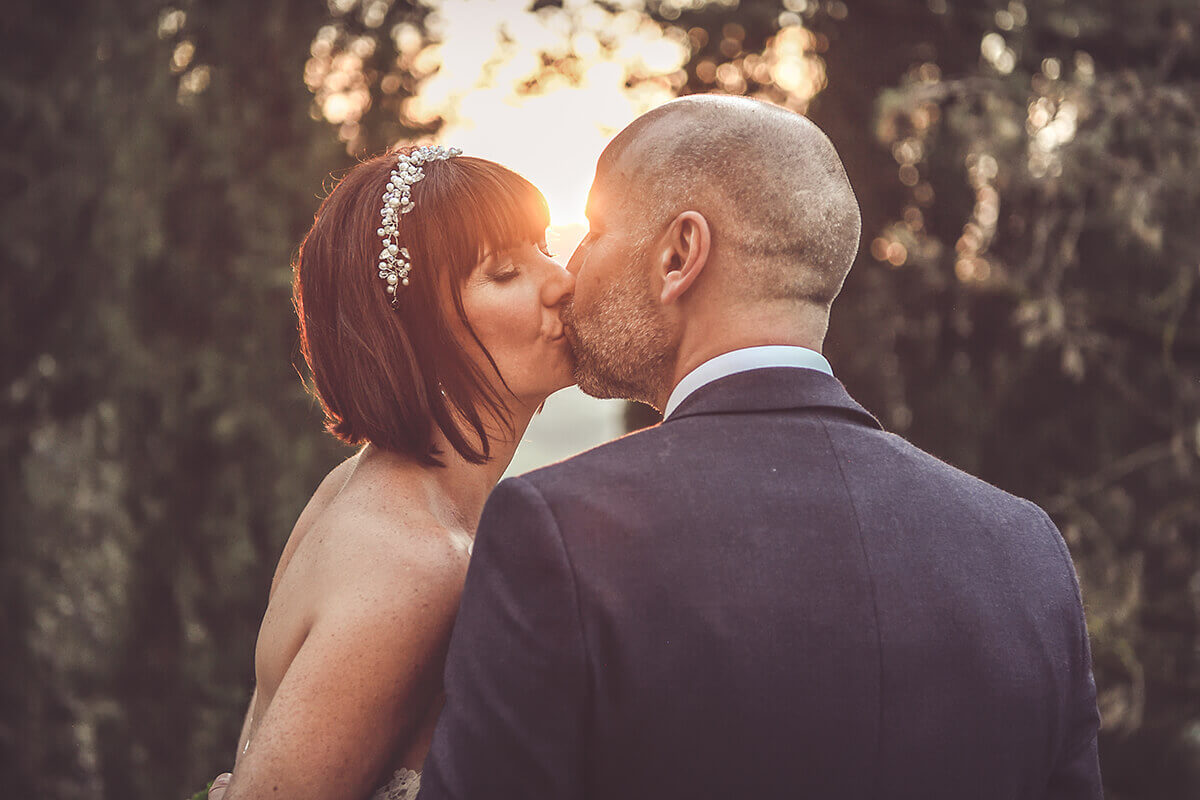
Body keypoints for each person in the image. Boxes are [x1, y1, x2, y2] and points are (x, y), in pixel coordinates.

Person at [418, 96, 1103, 799]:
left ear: (679, 255)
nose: (569, 271)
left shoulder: (556, 531)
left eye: (593, 232)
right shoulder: (1025, 549)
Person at [206, 146, 575, 800]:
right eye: (506, 271)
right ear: (417, 332)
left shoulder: (356, 484)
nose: (560, 281)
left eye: (545, 249)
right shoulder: (416, 567)